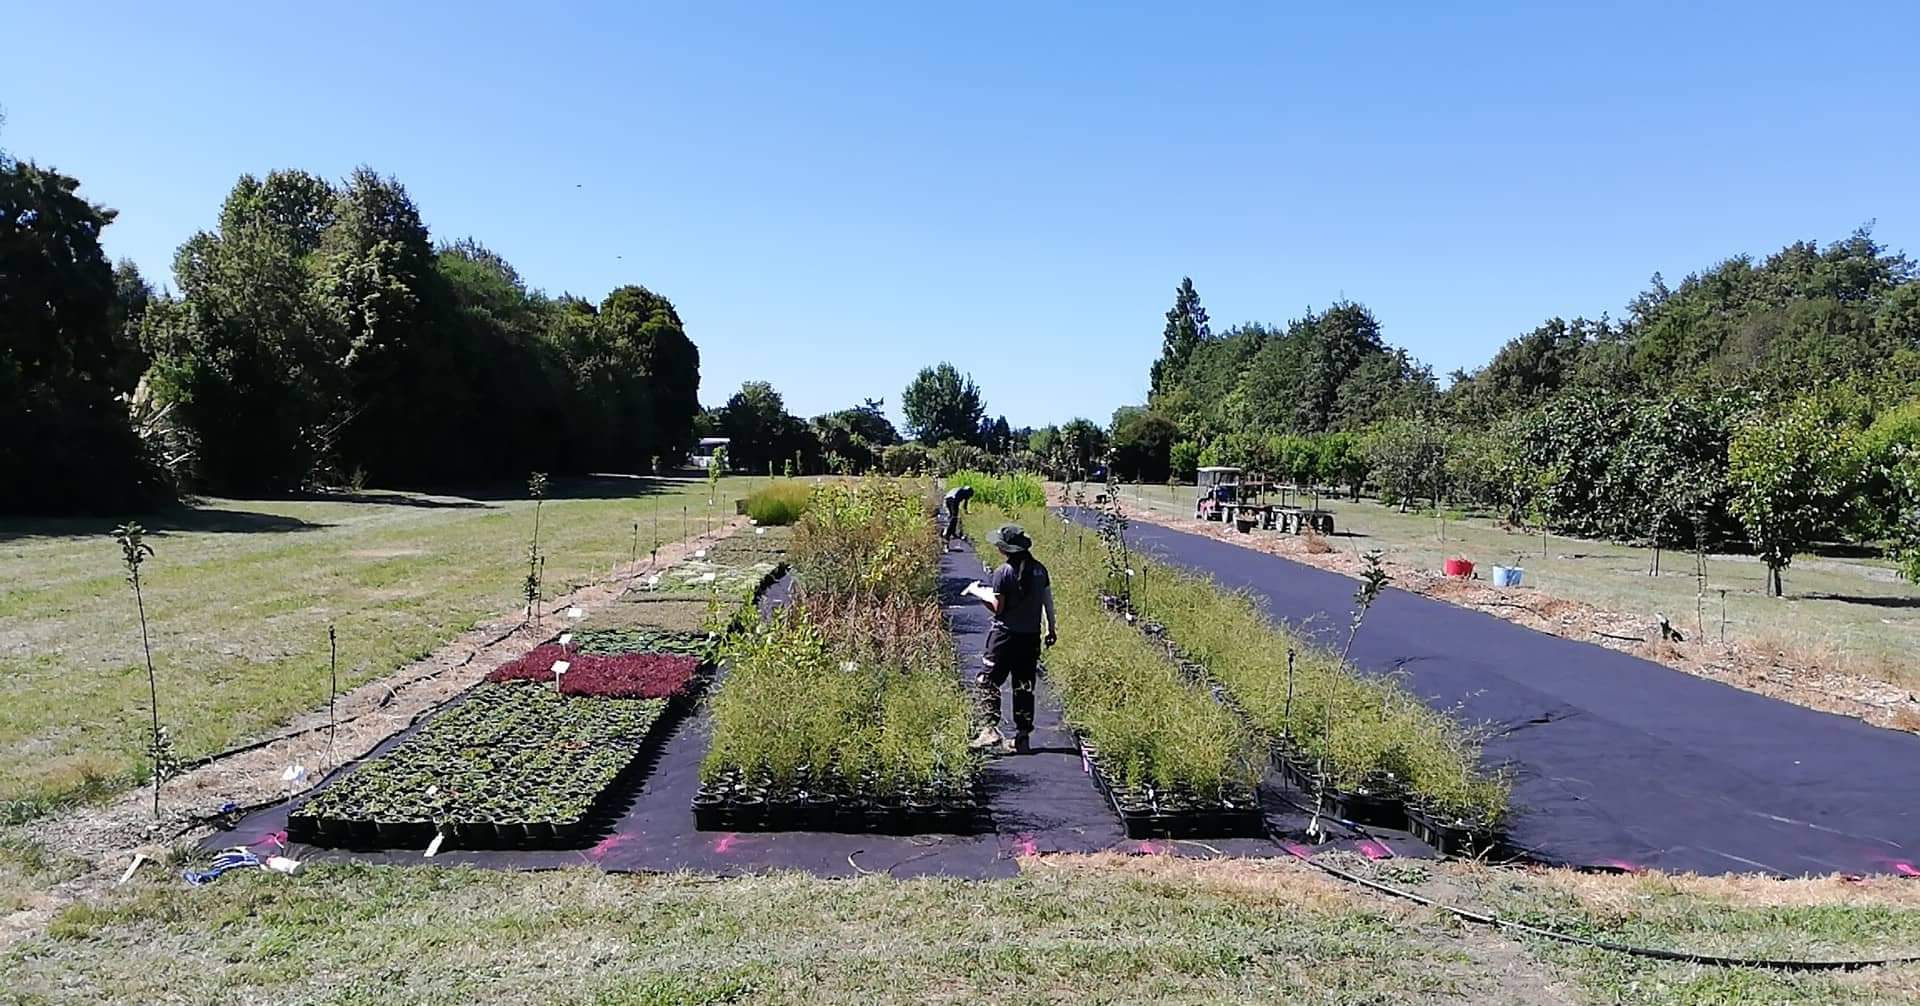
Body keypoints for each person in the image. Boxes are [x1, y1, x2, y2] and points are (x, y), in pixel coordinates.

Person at [964, 523, 1057, 755]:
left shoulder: (1003, 573)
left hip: (1004, 637)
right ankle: (1022, 737)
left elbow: (999, 608)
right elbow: (1047, 602)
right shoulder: (1040, 570)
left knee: (987, 680)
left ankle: (989, 730)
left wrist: (980, 595)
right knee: (1024, 686)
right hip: (1030, 638)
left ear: (1005, 548)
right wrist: (1051, 629)